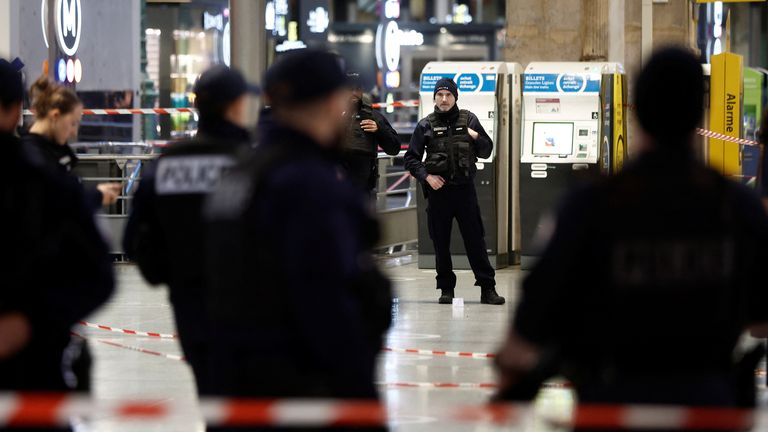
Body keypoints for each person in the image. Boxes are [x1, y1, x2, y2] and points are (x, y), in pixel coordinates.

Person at [494, 47, 768, 422]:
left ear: (636, 108)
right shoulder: (736, 206)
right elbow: (761, 321)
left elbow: (529, 326)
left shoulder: (590, 205)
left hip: (611, 403)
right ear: (698, 114)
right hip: (706, 405)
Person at [203, 49, 391, 419]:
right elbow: (327, 304)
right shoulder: (311, 186)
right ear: (331, 101)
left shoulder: (238, 176)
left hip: (233, 378)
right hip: (300, 384)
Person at [123, 65, 258, 394]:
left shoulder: (167, 164)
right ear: (235, 106)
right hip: (248, 307)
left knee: (210, 392)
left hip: (188, 303)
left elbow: (135, 238)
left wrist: (169, 273)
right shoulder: (251, 164)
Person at [0, 58, 114, 431]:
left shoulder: (43, 177)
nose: (75, 132)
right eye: (73, 122)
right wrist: (33, 321)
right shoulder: (40, 180)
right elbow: (98, 274)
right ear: (16, 110)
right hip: (29, 369)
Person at [404, 77, 505, 305]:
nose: (444, 99)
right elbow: (410, 159)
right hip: (439, 194)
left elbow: (487, 150)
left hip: (464, 192)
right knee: (441, 243)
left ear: (455, 97)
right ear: (434, 99)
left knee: (475, 240)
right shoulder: (425, 125)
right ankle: (446, 290)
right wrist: (427, 177)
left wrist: (475, 135)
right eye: (439, 95)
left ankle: (487, 288)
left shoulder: (469, 119)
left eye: (448, 95)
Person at [22, 76, 121, 209]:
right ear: (55, 116)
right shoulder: (35, 159)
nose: (74, 132)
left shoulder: (50, 153)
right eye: (73, 123)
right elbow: (60, 201)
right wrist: (96, 196)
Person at [341, 73, 401, 193]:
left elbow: (394, 148)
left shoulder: (373, 117)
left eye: (357, 89)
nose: (353, 93)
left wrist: (379, 130)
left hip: (363, 191)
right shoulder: (331, 116)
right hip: (334, 189)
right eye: (349, 89)